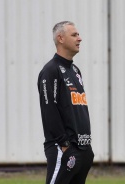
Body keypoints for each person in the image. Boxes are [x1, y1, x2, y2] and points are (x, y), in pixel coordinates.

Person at [37, 21, 94, 184]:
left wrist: (87, 147)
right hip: (64, 149)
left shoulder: (75, 71)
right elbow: (49, 109)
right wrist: (64, 144)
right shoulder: (51, 70)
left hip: (83, 149)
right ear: (60, 38)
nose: (80, 38)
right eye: (74, 35)